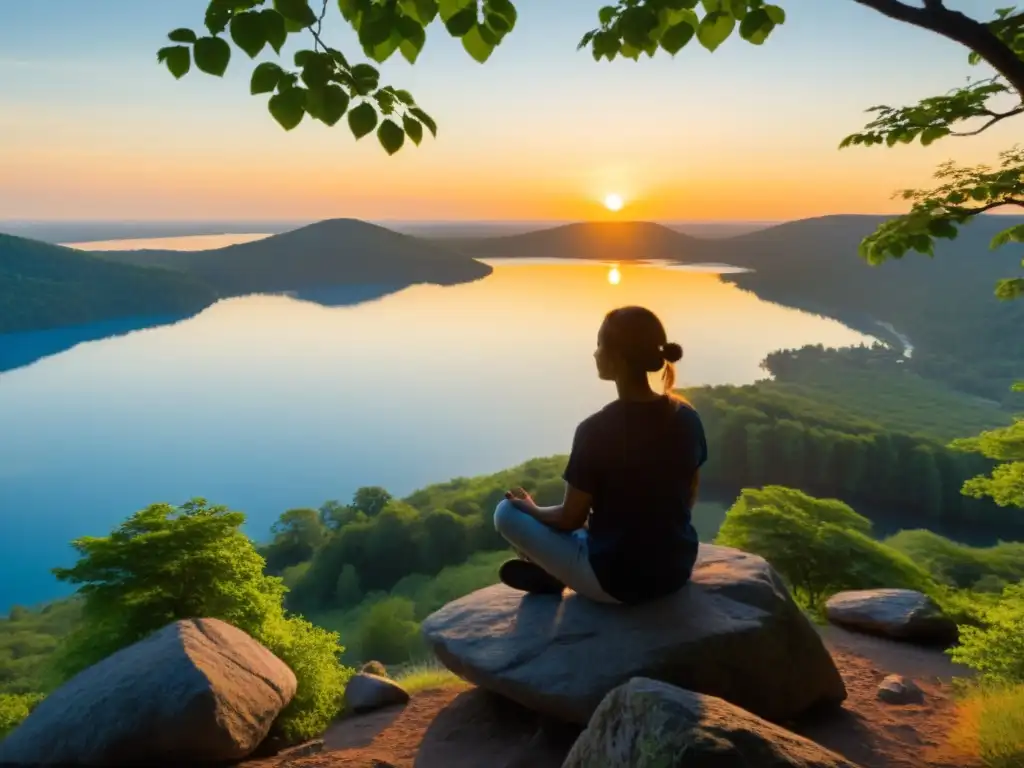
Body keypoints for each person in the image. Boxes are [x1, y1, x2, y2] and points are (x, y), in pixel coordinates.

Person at [493, 305, 708, 605]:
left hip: (616, 583)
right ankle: (557, 570)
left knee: (505, 513)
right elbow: (688, 496)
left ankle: (556, 573)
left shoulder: (595, 430)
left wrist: (529, 508)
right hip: (675, 570)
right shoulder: (687, 417)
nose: (595, 353)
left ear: (617, 358)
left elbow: (569, 519)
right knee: (591, 527)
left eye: (599, 345)